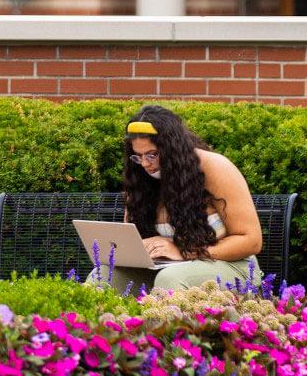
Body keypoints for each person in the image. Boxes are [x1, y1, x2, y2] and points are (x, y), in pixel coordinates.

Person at [89, 105, 264, 292]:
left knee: (170, 279)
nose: (145, 164)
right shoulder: (140, 179)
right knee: (102, 276)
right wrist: (139, 248)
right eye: (138, 156)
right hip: (164, 270)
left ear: (173, 149)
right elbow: (133, 238)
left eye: (152, 155)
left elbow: (251, 240)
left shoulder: (214, 167)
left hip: (232, 267)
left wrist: (186, 252)